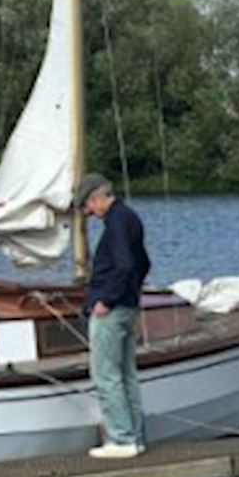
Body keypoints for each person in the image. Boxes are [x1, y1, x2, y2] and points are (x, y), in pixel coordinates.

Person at [75, 172, 151, 458]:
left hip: (113, 309)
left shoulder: (116, 222)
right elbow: (143, 263)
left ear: (96, 198)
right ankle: (135, 437)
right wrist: (132, 293)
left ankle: (120, 439)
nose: (88, 213)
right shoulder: (129, 216)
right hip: (129, 305)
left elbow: (124, 265)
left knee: (106, 374)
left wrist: (106, 300)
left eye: (87, 207)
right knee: (126, 373)